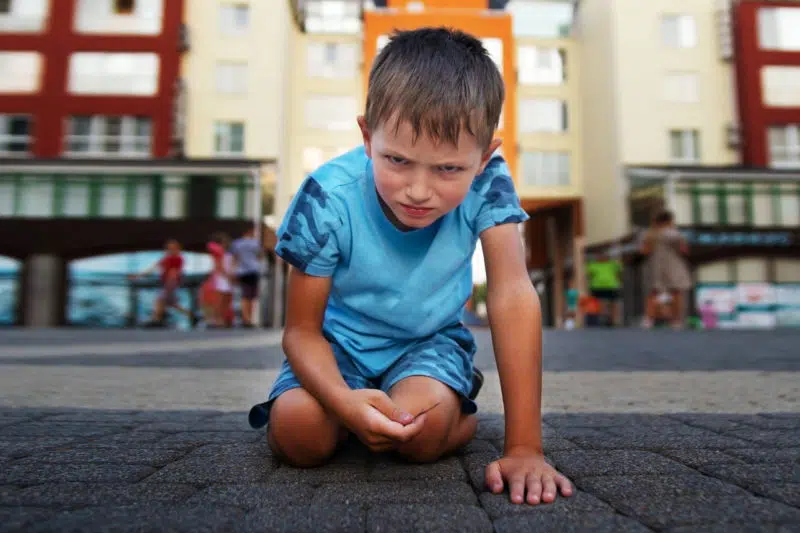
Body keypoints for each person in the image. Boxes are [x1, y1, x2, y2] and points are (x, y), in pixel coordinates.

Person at [248, 27, 572, 506]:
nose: (418, 190)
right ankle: (350, 419)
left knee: (419, 434)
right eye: (397, 160)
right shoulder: (326, 197)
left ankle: (454, 415)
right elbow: (301, 332)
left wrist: (524, 447)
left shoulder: (490, 183)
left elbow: (512, 294)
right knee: (300, 435)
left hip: (427, 344)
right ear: (366, 136)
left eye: (448, 169)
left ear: (484, 158)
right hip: (338, 348)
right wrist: (341, 401)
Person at [640, 209, 692, 329]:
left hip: (656, 265)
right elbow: (684, 250)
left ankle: (649, 320)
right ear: (670, 220)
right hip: (674, 265)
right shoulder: (675, 234)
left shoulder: (650, 234)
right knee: (676, 292)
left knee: (654, 292)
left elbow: (645, 251)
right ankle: (676, 321)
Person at [128, 239, 191, 327]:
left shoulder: (177, 259)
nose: (171, 250)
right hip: (168, 284)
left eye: (173, 248)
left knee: (159, 301)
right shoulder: (166, 259)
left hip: (170, 285)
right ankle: (192, 316)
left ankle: (155, 319)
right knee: (173, 304)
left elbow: (174, 272)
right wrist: (137, 276)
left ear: (178, 249)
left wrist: (170, 284)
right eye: (169, 248)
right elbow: (153, 268)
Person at [230, 226, 264, 328]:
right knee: (252, 296)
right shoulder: (255, 243)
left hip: (242, 271)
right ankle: (249, 319)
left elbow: (234, 258)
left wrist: (233, 271)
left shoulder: (236, 243)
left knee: (244, 295)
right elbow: (260, 255)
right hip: (253, 270)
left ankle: (245, 318)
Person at [585, 250, 623, 327]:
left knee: (613, 303)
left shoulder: (613, 264)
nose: (602, 257)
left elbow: (619, 272)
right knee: (599, 304)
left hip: (611, 286)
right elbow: (589, 275)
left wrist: (618, 281)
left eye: (604, 255)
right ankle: (601, 319)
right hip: (597, 287)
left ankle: (613, 320)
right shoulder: (593, 264)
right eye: (599, 255)